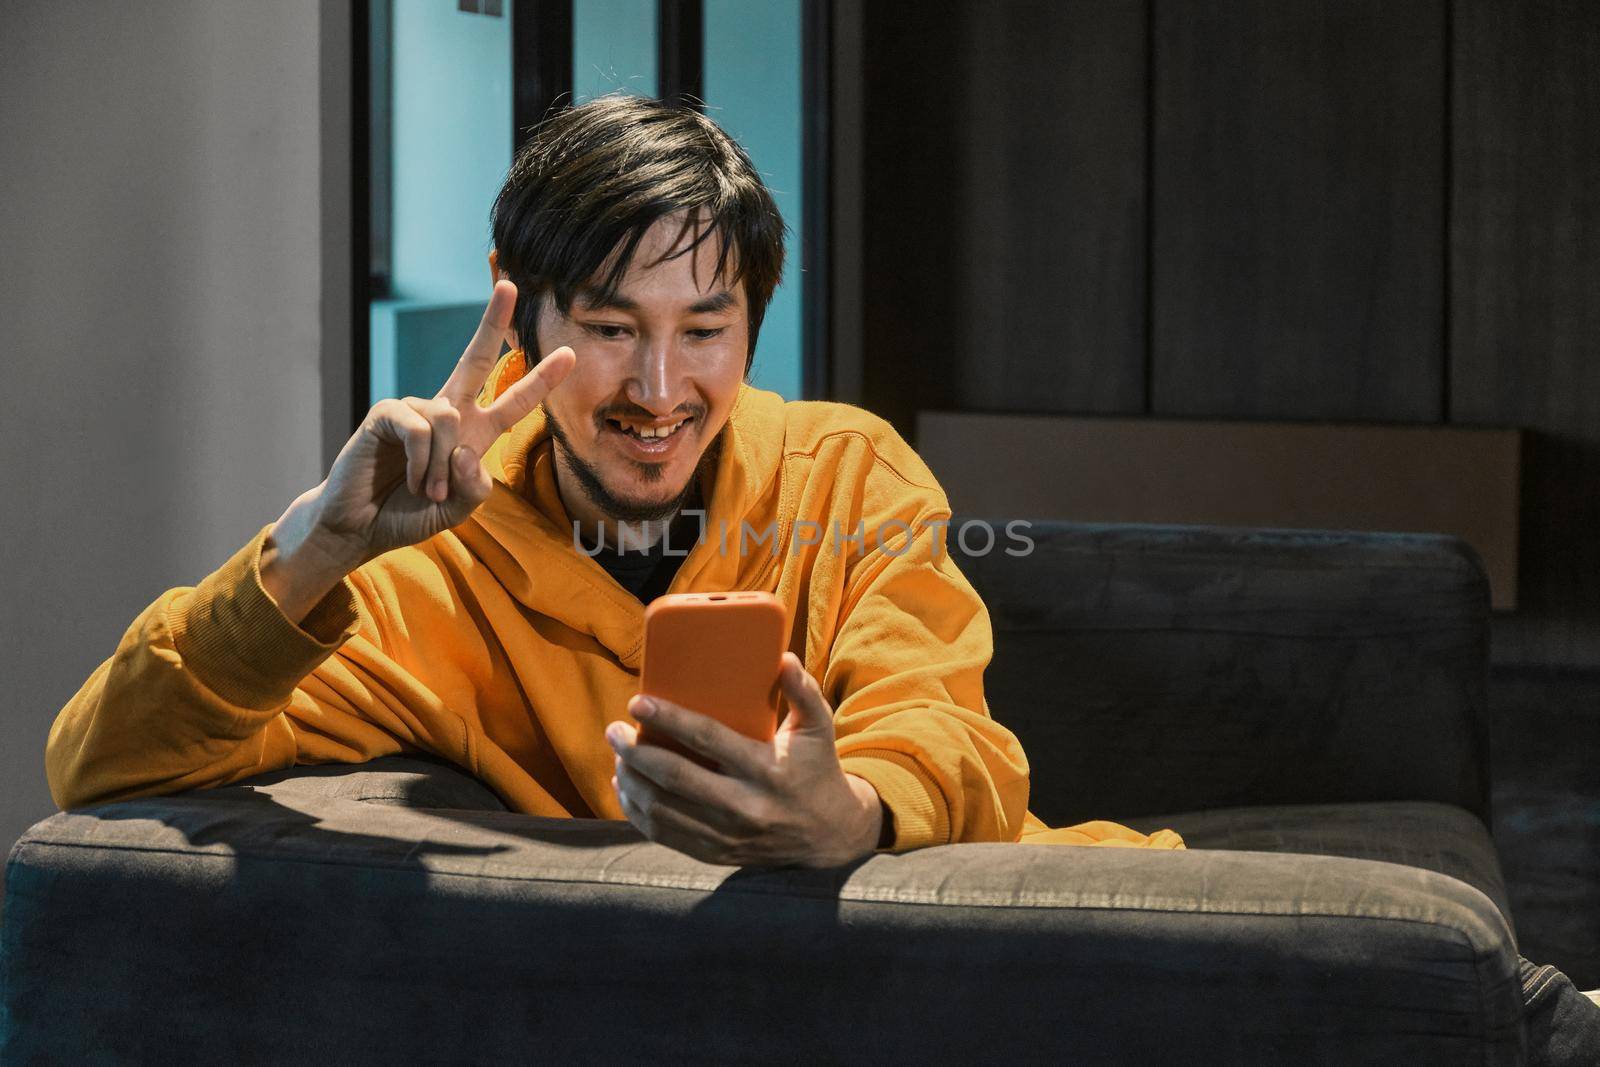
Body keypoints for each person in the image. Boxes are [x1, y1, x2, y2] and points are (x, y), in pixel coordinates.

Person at [44, 95, 1597, 1057]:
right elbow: (100, 759)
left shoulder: (844, 469)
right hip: (707, 1000)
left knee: (1437, 970)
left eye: (703, 329)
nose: (659, 386)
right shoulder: (426, 561)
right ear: (521, 327)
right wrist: (317, 544)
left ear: (752, 329)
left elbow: (953, 731)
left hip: (973, 918)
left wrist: (849, 813)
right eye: (610, 324)